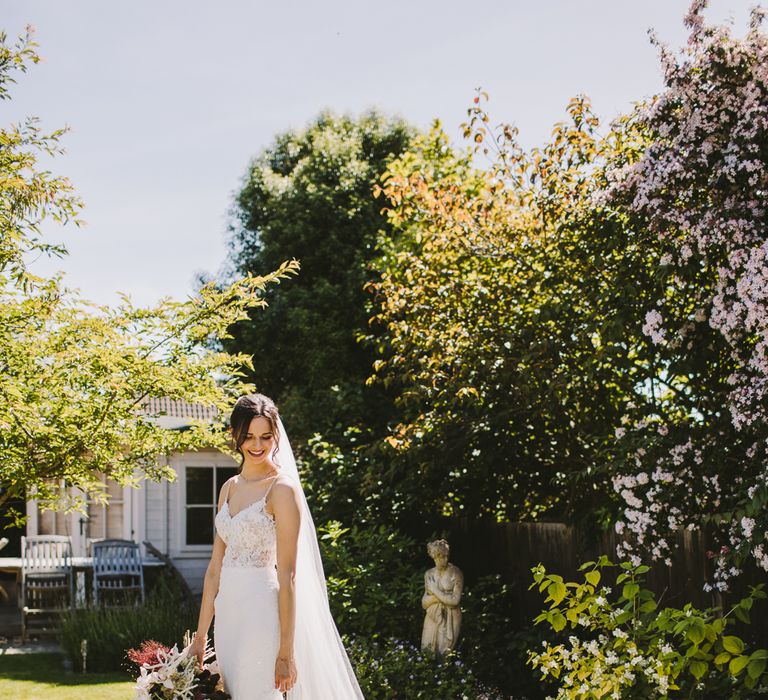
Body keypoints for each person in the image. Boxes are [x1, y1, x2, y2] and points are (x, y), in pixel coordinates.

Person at [188, 393, 365, 698]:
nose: (257, 445)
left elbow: (289, 576)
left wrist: (285, 653)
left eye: (265, 436)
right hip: (228, 617)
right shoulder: (228, 488)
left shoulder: (281, 489)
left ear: (275, 436)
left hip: (262, 614)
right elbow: (214, 570)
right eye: (249, 437)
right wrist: (200, 637)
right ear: (234, 435)